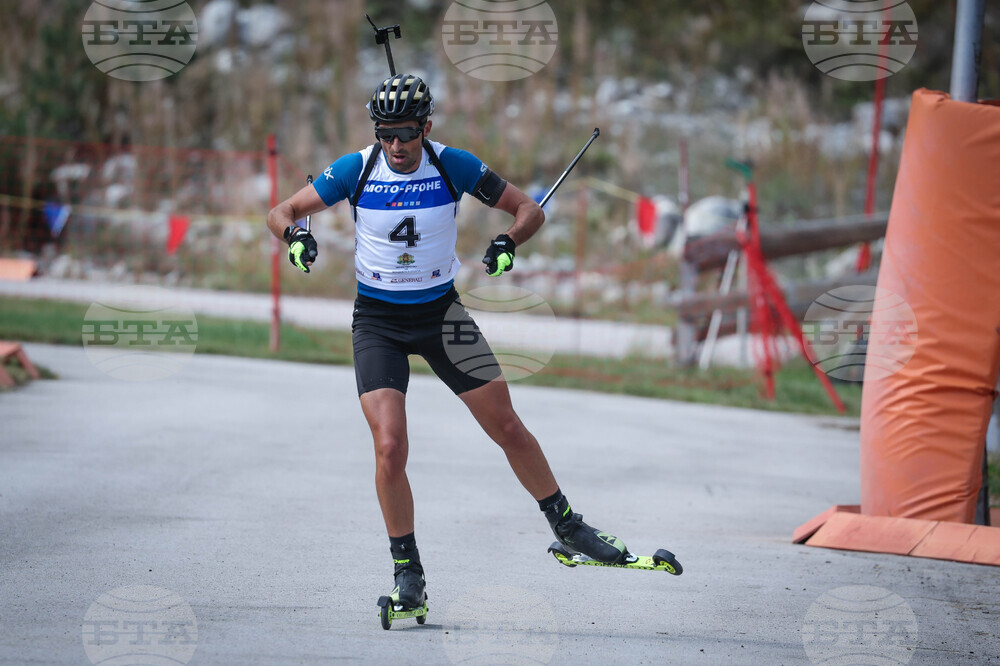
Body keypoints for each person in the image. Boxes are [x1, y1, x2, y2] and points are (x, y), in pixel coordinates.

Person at [266, 74, 627, 613]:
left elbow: (530, 209)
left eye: (406, 133)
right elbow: (282, 212)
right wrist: (296, 237)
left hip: (440, 315)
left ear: (426, 127)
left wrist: (508, 242)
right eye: (386, 134)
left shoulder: (451, 164)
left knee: (507, 425)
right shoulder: (356, 168)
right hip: (379, 322)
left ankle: (568, 526)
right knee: (390, 446)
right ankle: (407, 573)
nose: (396, 145)